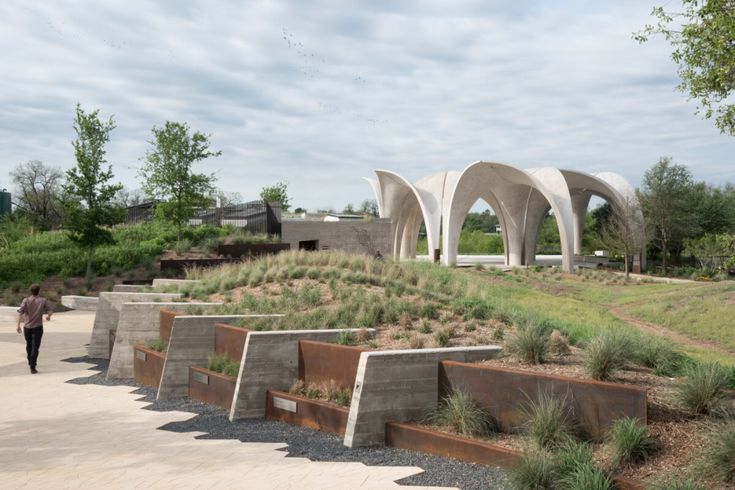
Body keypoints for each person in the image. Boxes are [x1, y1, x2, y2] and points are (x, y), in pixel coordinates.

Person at [16, 284, 53, 374]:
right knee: (35, 347)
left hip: (27, 327)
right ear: (38, 291)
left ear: (30, 291)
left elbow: (20, 312)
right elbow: (50, 310)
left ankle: (30, 361)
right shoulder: (43, 300)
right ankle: (33, 366)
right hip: (38, 328)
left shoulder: (26, 300)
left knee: (29, 345)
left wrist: (18, 325)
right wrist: (48, 316)